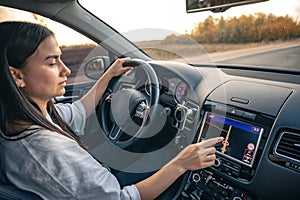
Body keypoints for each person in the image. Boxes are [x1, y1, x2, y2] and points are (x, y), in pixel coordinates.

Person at [0, 21, 223, 200]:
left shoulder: (26, 118)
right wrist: (181, 163)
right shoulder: (49, 150)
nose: (66, 70)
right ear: (17, 76)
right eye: (52, 63)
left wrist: (108, 77)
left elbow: (77, 111)